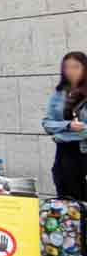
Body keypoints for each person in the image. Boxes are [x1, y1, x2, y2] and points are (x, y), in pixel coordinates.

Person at [45, 51, 87, 200]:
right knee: (66, 203)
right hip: (63, 154)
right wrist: (68, 125)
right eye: (67, 67)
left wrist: (59, 135)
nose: (71, 71)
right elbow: (47, 124)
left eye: (76, 67)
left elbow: (84, 131)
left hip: (83, 153)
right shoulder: (58, 94)